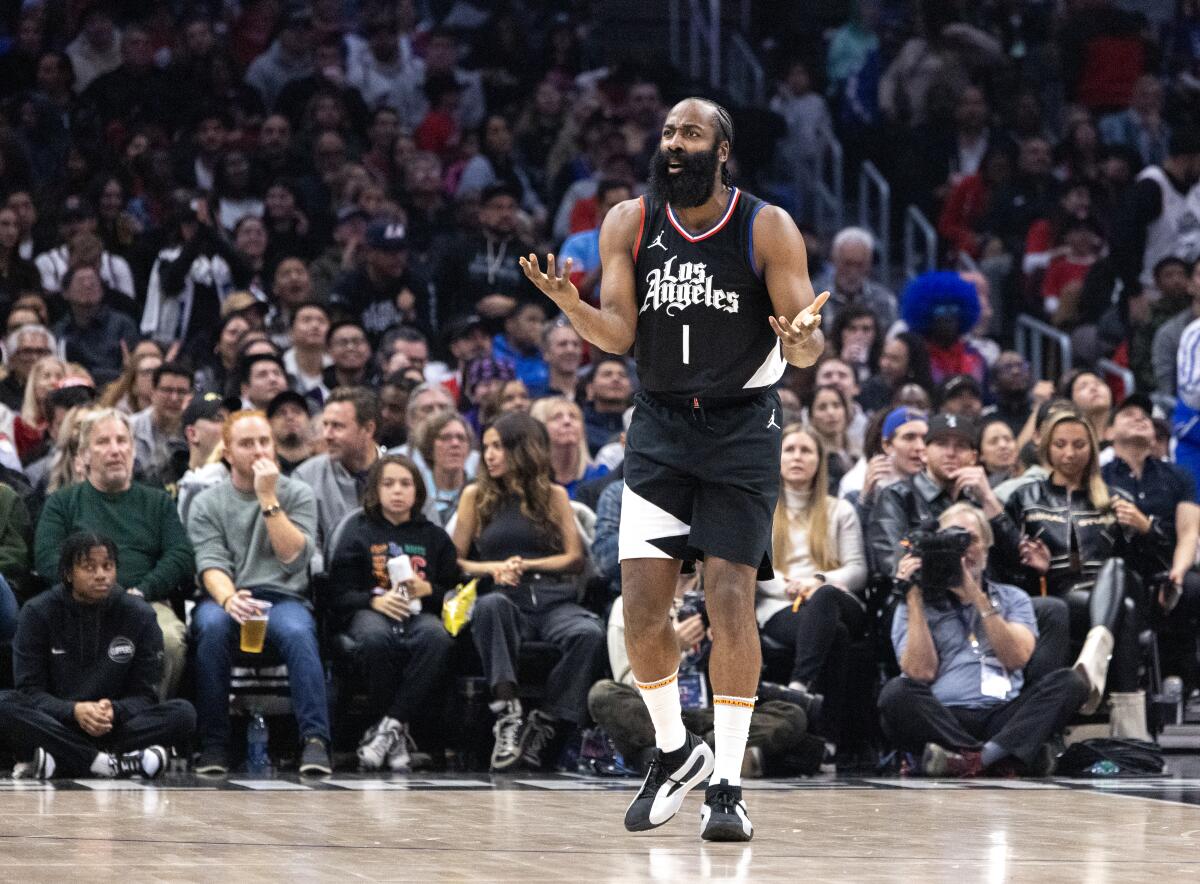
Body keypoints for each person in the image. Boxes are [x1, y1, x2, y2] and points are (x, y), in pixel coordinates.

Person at [520, 96, 826, 841]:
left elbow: (805, 350)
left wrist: (804, 340)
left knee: (727, 600)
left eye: (691, 134)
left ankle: (727, 783)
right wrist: (571, 306)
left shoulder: (766, 227)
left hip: (740, 430)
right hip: (659, 425)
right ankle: (670, 752)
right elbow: (619, 334)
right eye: (667, 133)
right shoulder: (629, 221)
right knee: (641, 608)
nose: (674, 144)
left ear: (723, 151)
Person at [992, 410, 1167, 739]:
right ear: (1046, 448)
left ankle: (1096, 649)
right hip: (1057, 596)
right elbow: (1005, 567)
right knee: (1124, 612)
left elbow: (1156, 566)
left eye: (1078, 445)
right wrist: (1033, 568)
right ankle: (1131, 728)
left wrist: (1146, 529)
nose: (1069, 454)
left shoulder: (1115, 500)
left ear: (1093, 448)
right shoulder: (1025, 498)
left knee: (1117, 573)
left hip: (1115, 594)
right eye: (1060, 445)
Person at [879, 505, 1089, 777]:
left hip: (1002, 715)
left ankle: (968, 760)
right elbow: (921, 672)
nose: (961, 550)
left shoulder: (1014, 598)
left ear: (987, 551)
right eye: (950, 542)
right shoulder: (914, 602)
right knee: (896, 692)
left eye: (969, 540)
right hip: (942, 717)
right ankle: (1001, 757)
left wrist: (975, 594)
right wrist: (914, 596)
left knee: (1071, 682)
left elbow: (1015, 658)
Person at [452, 413, 602, 773]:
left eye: (498, 447)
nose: (488, 455)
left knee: (590, 633)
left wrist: (528, 565)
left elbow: (575, 559)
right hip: (504, 597)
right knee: (489, 608)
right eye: (486, 447)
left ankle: (545, 721)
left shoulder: (554, 496)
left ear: (523, 449)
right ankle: (508, 712)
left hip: (551, 600)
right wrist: (495, 568)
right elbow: (453, 561)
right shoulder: (475, 496)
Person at [187, 410, 331, 775]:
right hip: (228, 595)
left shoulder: (298, 494)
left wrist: (268, 498)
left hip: (283, 596)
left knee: (299, 632)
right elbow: (210, 564)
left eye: (264, 442)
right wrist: (229, 599)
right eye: (246, 444)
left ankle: (314, 741)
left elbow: (294, 559)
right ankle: (215, 744)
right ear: (228, 454)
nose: (258, 451)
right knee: (211, 627)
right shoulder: (208, 503)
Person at [0, 532, 197, 779]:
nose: (101, 575)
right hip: (57, 721)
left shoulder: (140, 615)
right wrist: (75, 711)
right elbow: (30, 691)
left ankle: (64, 761)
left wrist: (113, 710)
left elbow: (145, 696)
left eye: (108, 566)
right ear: (69, 574)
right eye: (89, 568)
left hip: (112, 724)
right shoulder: (38, 612)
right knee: (4, 704)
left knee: (183, 713)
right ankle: (107, 763)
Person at [34, 409, 194, 700]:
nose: (115, 450)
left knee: (170, 640)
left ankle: (149, 725)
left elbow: (180, 555)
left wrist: (142, 591)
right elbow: (47, 558)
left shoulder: (157, 502)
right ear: (83, 456)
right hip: (76, 604)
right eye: (103, 442)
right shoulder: (62, 502)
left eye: (122, 441)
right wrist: (89, 592)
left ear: (133, 450)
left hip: (144, 601)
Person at [327, 455, 458, 772]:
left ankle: (388, 727)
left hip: (421, 614)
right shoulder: (358, 532)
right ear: (374, 490)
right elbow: (338, 593)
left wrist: (429, 590)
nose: (397, 491)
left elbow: (455, 591)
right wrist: (375, 601)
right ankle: (396, 736)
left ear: (418, 491)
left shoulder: (434, 537)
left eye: (405, 484)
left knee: (438, 638)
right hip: (371, 611)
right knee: (375, 638)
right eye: (388, 484)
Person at [758, 425, 866, 749]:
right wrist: (787, 587)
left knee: (827, 596)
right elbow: (753, 567)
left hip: (836, 598)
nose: (797, 457)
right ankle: (826, 740)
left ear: (819, 461)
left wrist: (817, 582)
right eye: (789, 449)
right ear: (776, 457)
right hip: (780, 603)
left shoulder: (840, 510)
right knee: (837, 636)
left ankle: (798, 688)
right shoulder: (761, 508)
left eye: (806, 451)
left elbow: (858, 570)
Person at [294, 387, 383, 564]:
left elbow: (426, 538)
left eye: (337, 426)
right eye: (325, 425)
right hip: (333, 582)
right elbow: (307, 548)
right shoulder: (306, 476)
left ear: (368, 429)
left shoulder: (404, 474)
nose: (327, 435)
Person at [814, 226, 897, 331]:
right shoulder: (813, 297)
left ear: (869, 264)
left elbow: (891, 343)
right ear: (834, 260)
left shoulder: (884, 300)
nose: (853, 272)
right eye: (847, 264)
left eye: (860, 265)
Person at [530, 396, 609, 500]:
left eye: (573, 416)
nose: (567, 421)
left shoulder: (601, 476)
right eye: (556, 417)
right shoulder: (530, 482)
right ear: (539, 429)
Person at [130, 362, 191, 487]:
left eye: (181, 392)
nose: (174, 398)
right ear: (153, 392)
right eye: (167, 390)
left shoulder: (194, 433)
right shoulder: (130, 427)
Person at [176, 392, 230, 527]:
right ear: (193, 434)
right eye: (218, 418)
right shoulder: (167, 480)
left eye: (231, 420)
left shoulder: (242, 478)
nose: (229, 426)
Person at [414, 411, 475, 527]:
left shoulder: (480, 491)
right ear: (429, 447)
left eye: (461, 438)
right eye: (446, 437)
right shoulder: (417, 490)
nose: (455, 443)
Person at [581, 355, 633, 456]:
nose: (616, 379)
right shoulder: (580, 428)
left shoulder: (639, 426)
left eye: (622, 375)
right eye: (607, 374)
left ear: (631, 388)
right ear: (590, 389)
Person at [268, 390, 315, 475]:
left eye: (297, 411)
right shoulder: (266, 467)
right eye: (281, 413)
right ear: (269, 423)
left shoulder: (322, 464)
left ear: (309, 419)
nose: (290, 417)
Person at [978, 416, 1020, 485]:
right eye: (993, 442)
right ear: (981, 454)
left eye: (1008, 439)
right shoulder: (979, 489)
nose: (1003, 445)